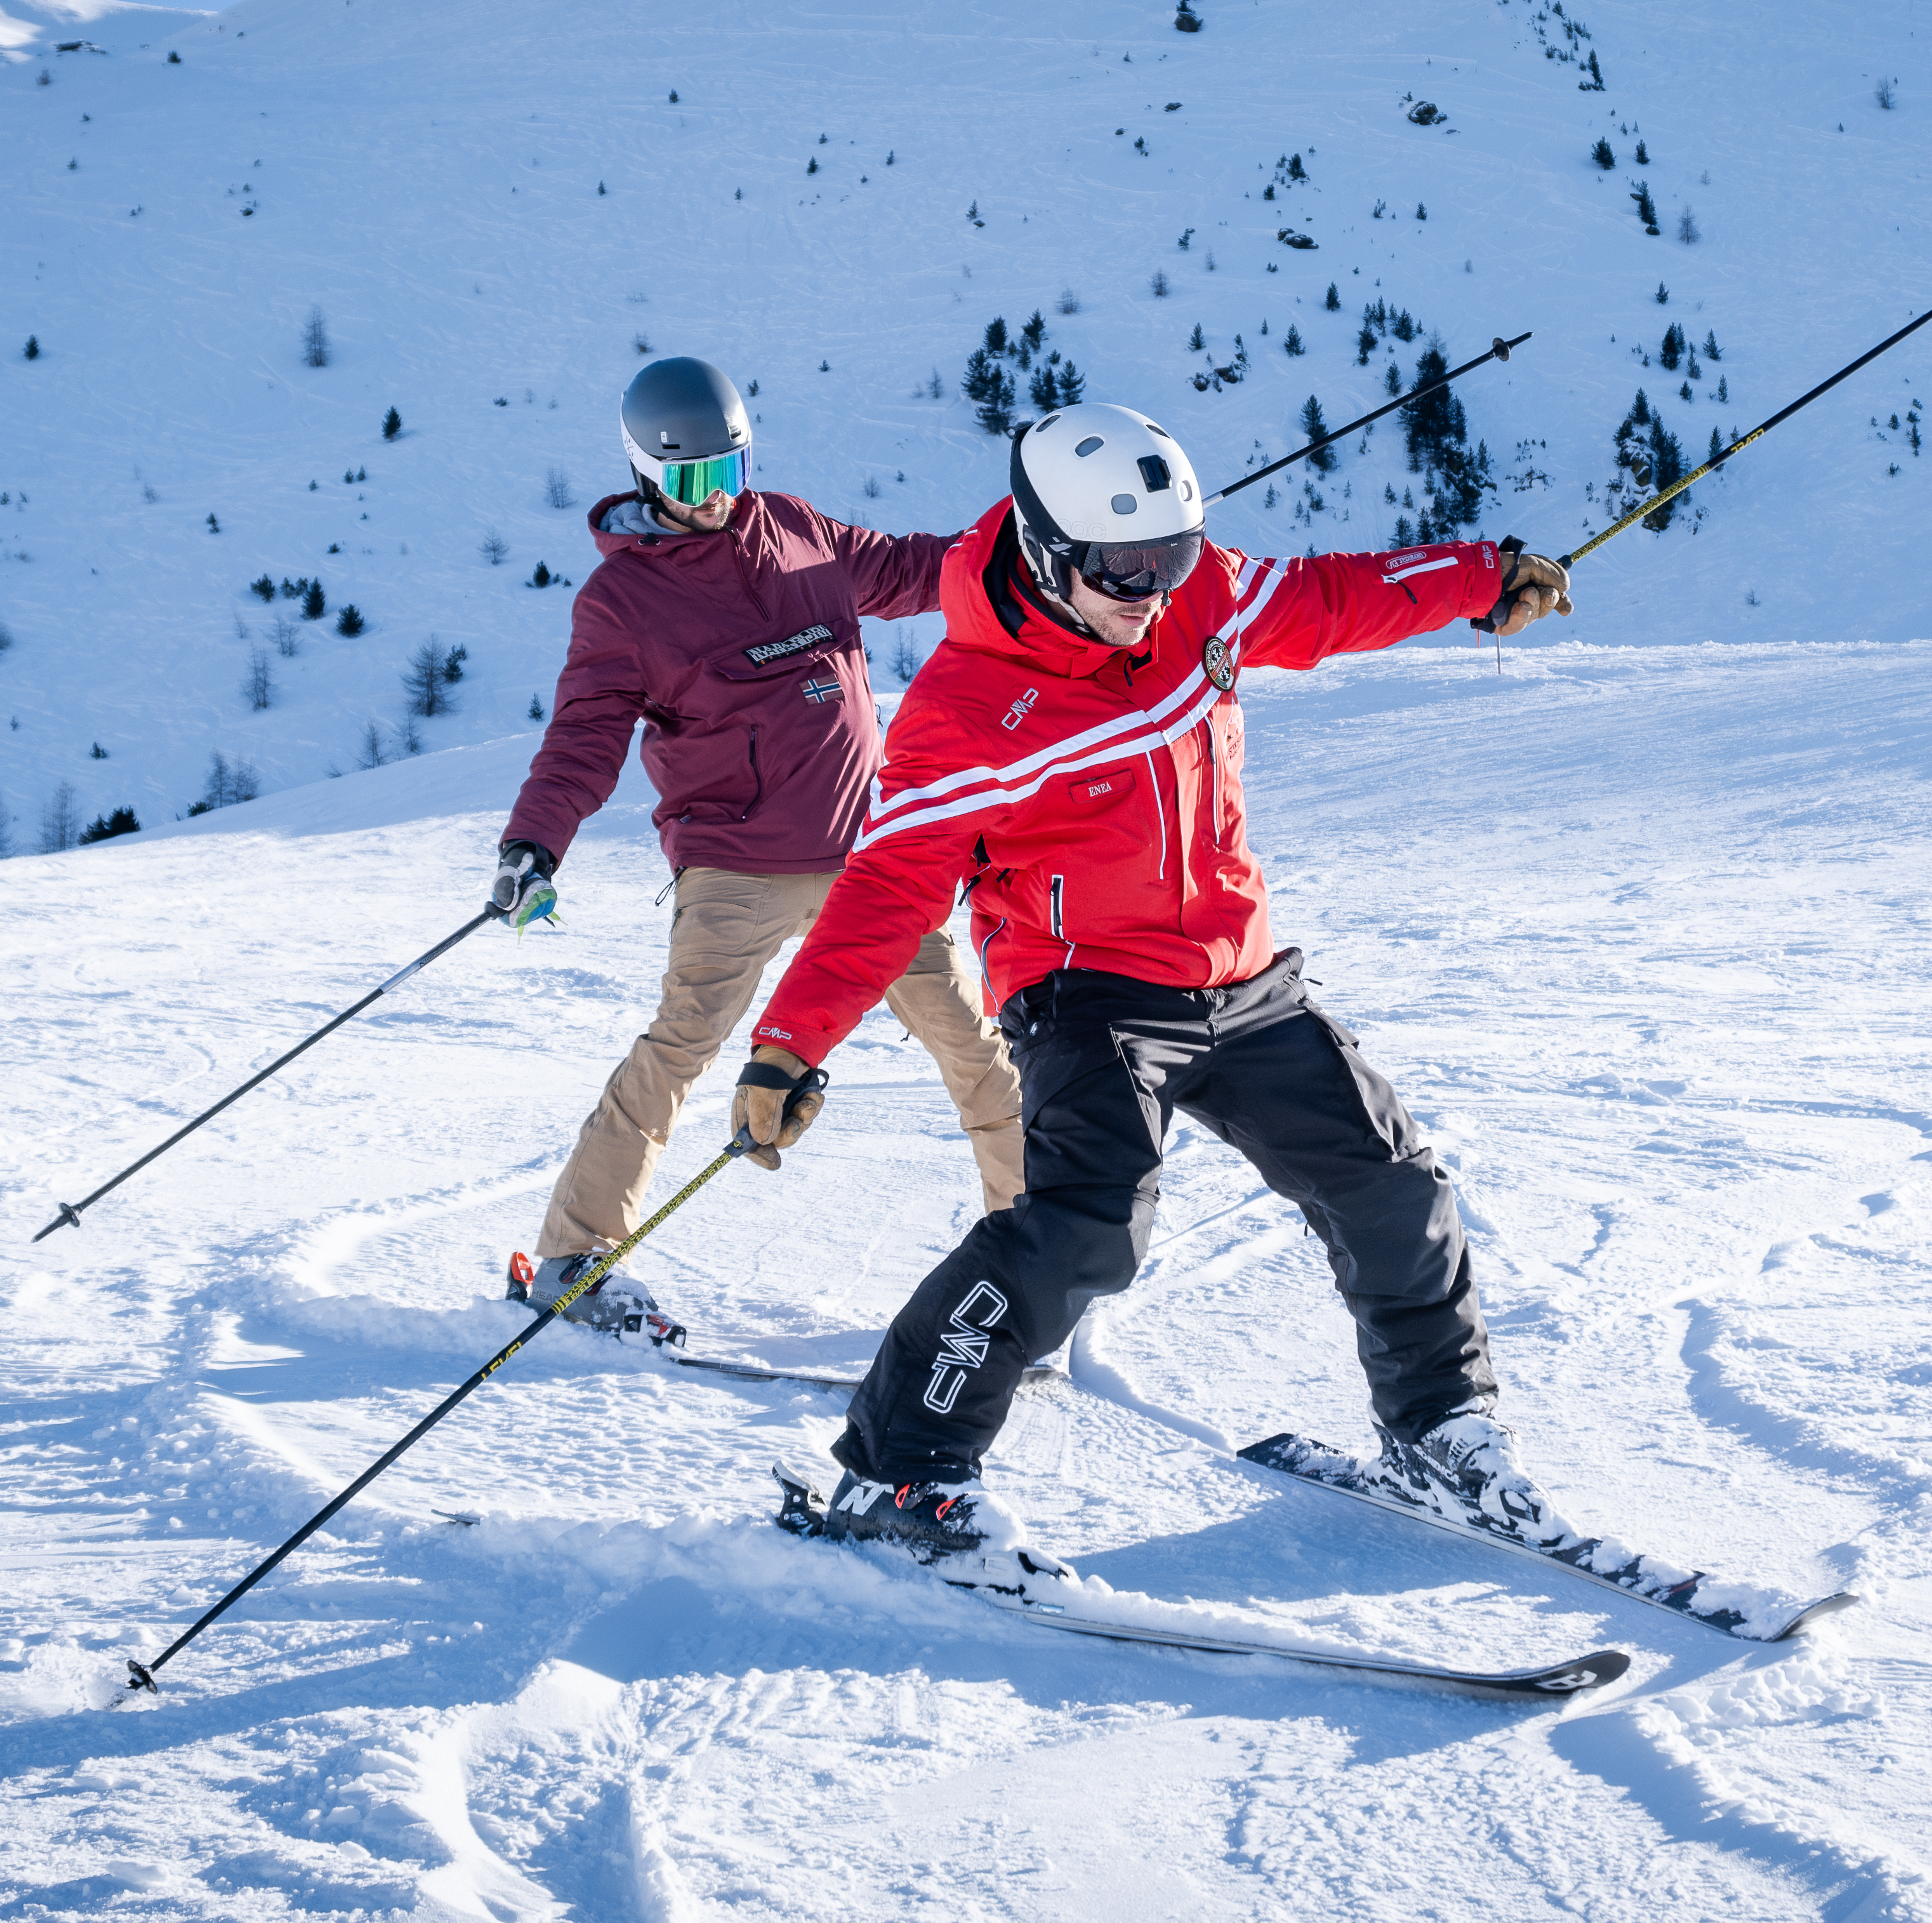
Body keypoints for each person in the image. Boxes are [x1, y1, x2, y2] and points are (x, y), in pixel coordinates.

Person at [725, 400, 1577, 1567]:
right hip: (1088, 992)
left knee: (1390, 1182)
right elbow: (887, 887)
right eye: (1121, 567)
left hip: (1240, 972)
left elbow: (1331, 598)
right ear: (1043, 549)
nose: (1151, 590)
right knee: (1087, 1228)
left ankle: (1438, 1427)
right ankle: (899, 1469)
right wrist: (790, 1043)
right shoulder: (967, 711)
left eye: (1170, 555)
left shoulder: (1200, 597)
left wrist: (1479, 578)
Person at [492, 356, 1024, 1345]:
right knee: (682, 1046)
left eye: (730, 472)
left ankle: (1031, 1258)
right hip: (735, 865)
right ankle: (573, 1254)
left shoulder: (796, 530)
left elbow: (922, 569)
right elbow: (583, 738)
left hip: (874, 862)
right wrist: (534, 840)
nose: (716, 498)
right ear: (646, 471)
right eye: (692, 480)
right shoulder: (622, 602)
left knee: (975, 1044)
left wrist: (1025, 554)